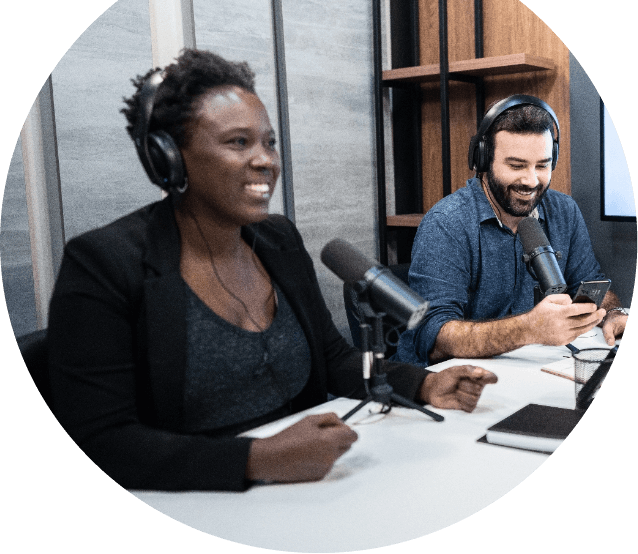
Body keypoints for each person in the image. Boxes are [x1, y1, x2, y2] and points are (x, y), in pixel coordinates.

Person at [46, 49, 497, 492]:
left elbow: (333, 359)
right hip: (194, 499)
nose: (266, 160)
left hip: (304, 488)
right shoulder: (103, 262)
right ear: (170, 157)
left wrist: (424, 383)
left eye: (269, 141)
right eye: (238, 142)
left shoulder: (278, 240)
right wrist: (254, 460)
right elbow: (100, 442)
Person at [392, 95, 628, 367]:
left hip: (528, 369)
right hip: (444, 383)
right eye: (516, 166)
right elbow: (433, 338)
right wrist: (529, 328)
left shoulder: (564, 210)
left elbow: (590, 283)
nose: (530, 180)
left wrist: (613, 312)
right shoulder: (447, 223)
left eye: (542, 165)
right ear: (483, 160)